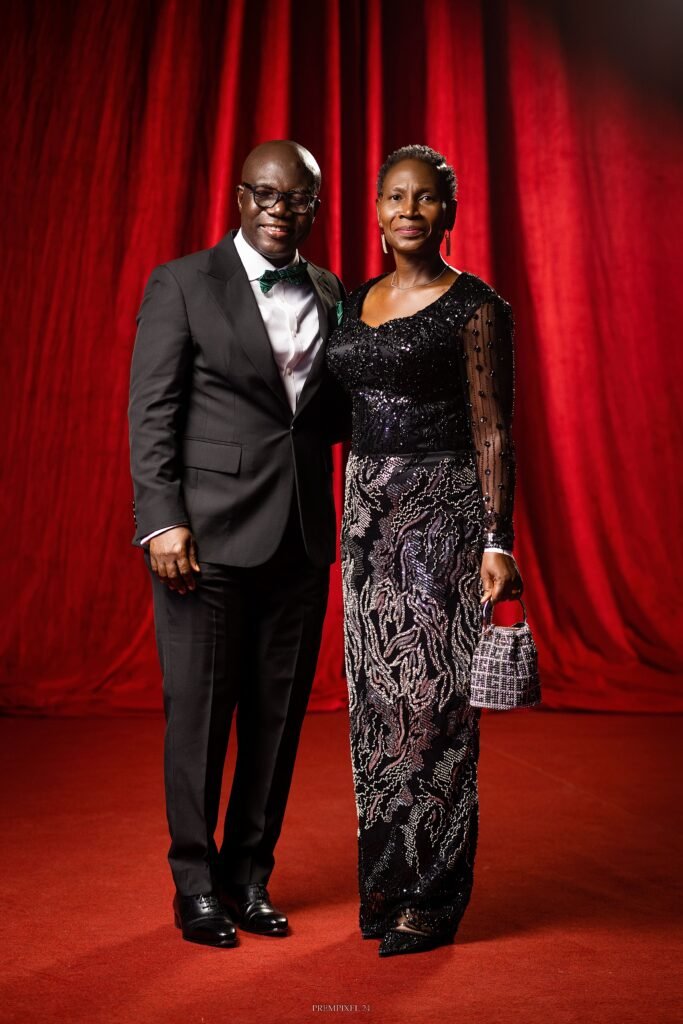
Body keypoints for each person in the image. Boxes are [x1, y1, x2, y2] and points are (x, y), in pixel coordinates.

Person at [129, 140, 348, 948]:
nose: (280, 210)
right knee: (197, 717)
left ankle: (249, 876)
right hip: (205, 537)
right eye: (266, 194)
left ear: (313, 207)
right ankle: (195, 886)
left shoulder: (329, 288)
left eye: (298, 199)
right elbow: (152, 409)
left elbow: (326, 413)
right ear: (239, 197)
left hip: (300, 534)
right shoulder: (183, 282)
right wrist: (162, 519)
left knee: (275, 718)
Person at [326, 144, 523, 957]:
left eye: (426, 198)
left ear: (448, 212)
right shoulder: (353, 299)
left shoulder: (475, 306)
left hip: (441, 517)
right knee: (375, 706)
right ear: (376, 211)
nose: (409, 210)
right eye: (395, 197)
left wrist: (496, 538)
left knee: (434, 705)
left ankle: (433, 898)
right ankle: (386, 887)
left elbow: (492, 427)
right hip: (364, 518)